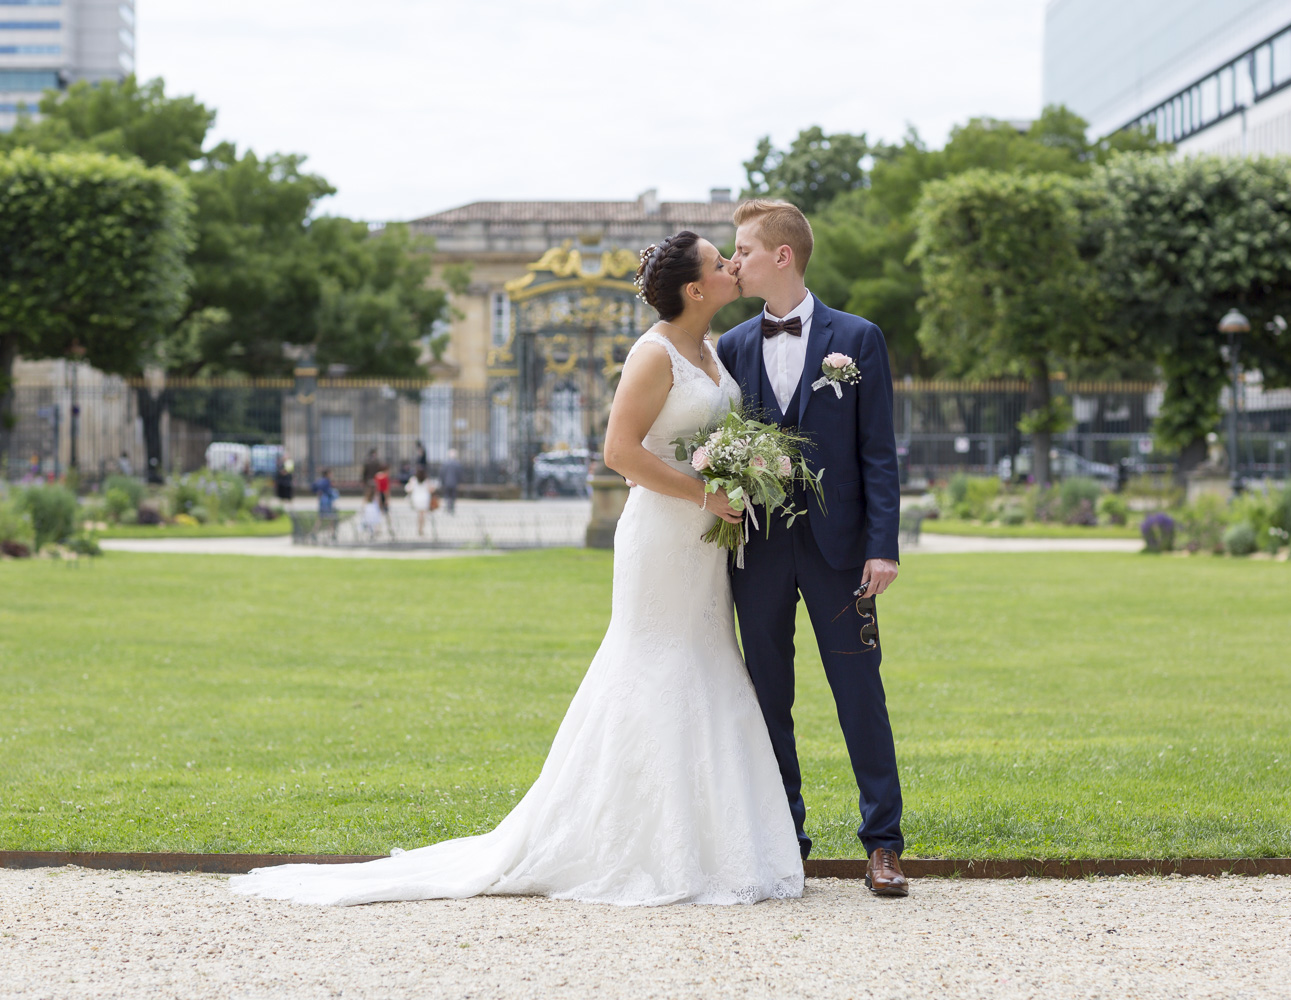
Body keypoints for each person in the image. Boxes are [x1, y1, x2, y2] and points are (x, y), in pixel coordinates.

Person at [231, 230, 801, 907]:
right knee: (655, 662)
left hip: (704, 540)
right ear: (695, 288)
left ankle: (710, 842)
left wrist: (739, 472)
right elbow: (619, 452)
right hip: (663, 534)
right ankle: (636, 842)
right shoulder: (653, 354)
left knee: (706, 658)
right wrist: (702, 492)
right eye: (719, 261)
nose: (733, 265)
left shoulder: (713, 347)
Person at [717, 199, 908, 898]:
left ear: (783, 256)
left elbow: (878, 452)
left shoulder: (858, 339)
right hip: (759, 551)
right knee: (769, 700)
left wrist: (882, 547)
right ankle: (786, 843)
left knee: (860, 693)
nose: (733, 262)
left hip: (841, 553)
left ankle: (883, 844)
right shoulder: (732, 348)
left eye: (743, 250)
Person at [406, 467, 435, 537]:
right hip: (424, 499)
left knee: (419, 514)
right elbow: (431, 490)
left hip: (416, 498)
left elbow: (408, 489)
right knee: (422, 515)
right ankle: (421, 529)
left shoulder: (413, 480)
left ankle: (419, 528)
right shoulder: (426, 480)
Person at [439, 448, 462, 515]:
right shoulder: (457, 464)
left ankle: (447, 507)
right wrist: (459, 481)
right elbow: (459, 474)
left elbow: (442, 473)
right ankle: (451, 508)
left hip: (446, 482)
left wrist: (442, 481)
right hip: (454, 482)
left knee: (447, 495)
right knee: (453, 496)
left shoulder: (445, 463)